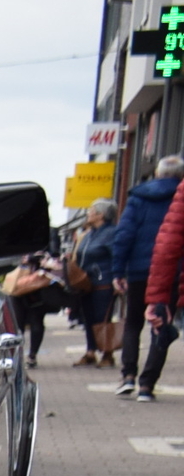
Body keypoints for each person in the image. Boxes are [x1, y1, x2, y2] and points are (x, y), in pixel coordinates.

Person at [105, 153, 184, 396]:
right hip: (172, 272)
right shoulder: (177, 196)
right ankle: (147, 384)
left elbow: (124, 235)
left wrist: (118, 270)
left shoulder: (139, 198)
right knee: (162, 324)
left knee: (133, 322)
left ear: (157, 173)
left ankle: (128, 374)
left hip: (138, 270)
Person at [75, 197, 120, 365]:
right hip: (87, 283)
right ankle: (90, 351)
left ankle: (107, 354)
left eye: (91, 211)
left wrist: (118, 277)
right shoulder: (89, 234)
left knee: (103, 318)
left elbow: (117, 256)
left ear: (101, 215)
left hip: (104, 282)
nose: (88, 214)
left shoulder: (112, 233)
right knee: (89, 318)